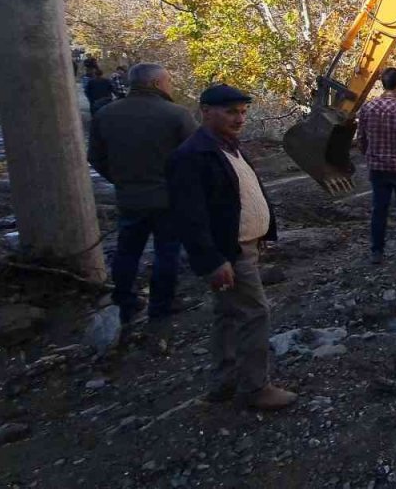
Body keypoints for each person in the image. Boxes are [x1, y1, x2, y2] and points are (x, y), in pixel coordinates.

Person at [167, 84, 296, 411]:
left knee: (227, 315)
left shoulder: (229, 148)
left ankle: (223, 382)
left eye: (242, 112)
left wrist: (262, 231)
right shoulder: (193, 156)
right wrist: (212, 260)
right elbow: (189, 216)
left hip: (244, 246)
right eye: (230, 112)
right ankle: (255, 387)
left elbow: (241, 195)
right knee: (255, 313)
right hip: (229, 252)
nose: (239, 118)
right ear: (205, 111)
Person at [88, 63, 198, 324]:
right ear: (157, 83)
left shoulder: (106, 114)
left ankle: (125, 301)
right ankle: (161, 306)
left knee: (127, 251)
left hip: (129, 198)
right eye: (168, 81)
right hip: (168, 198)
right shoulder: (176, 114)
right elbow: (196, 156)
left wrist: (120, 180)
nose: (170, 86)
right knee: (167, 252)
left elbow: (95, 157)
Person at [356, 67, 396, 264]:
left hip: (377, 169)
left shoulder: (367, 108)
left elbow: (361, 139)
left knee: (379, 210)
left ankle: (377, 251)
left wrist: (371, 155)